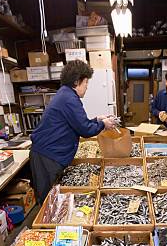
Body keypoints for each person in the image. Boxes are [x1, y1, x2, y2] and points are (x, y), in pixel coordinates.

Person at [30, 60, 115, 203]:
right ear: (77, 82)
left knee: (52, 200)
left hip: (49, 154)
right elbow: (85, 130)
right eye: (86, 82)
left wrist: (97, 120)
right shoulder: (69, 98)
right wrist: (103, 124)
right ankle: (47, 226)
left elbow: (78, 123)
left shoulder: (66, 95)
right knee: (48, 203)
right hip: (47, 157)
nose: (87, 87)